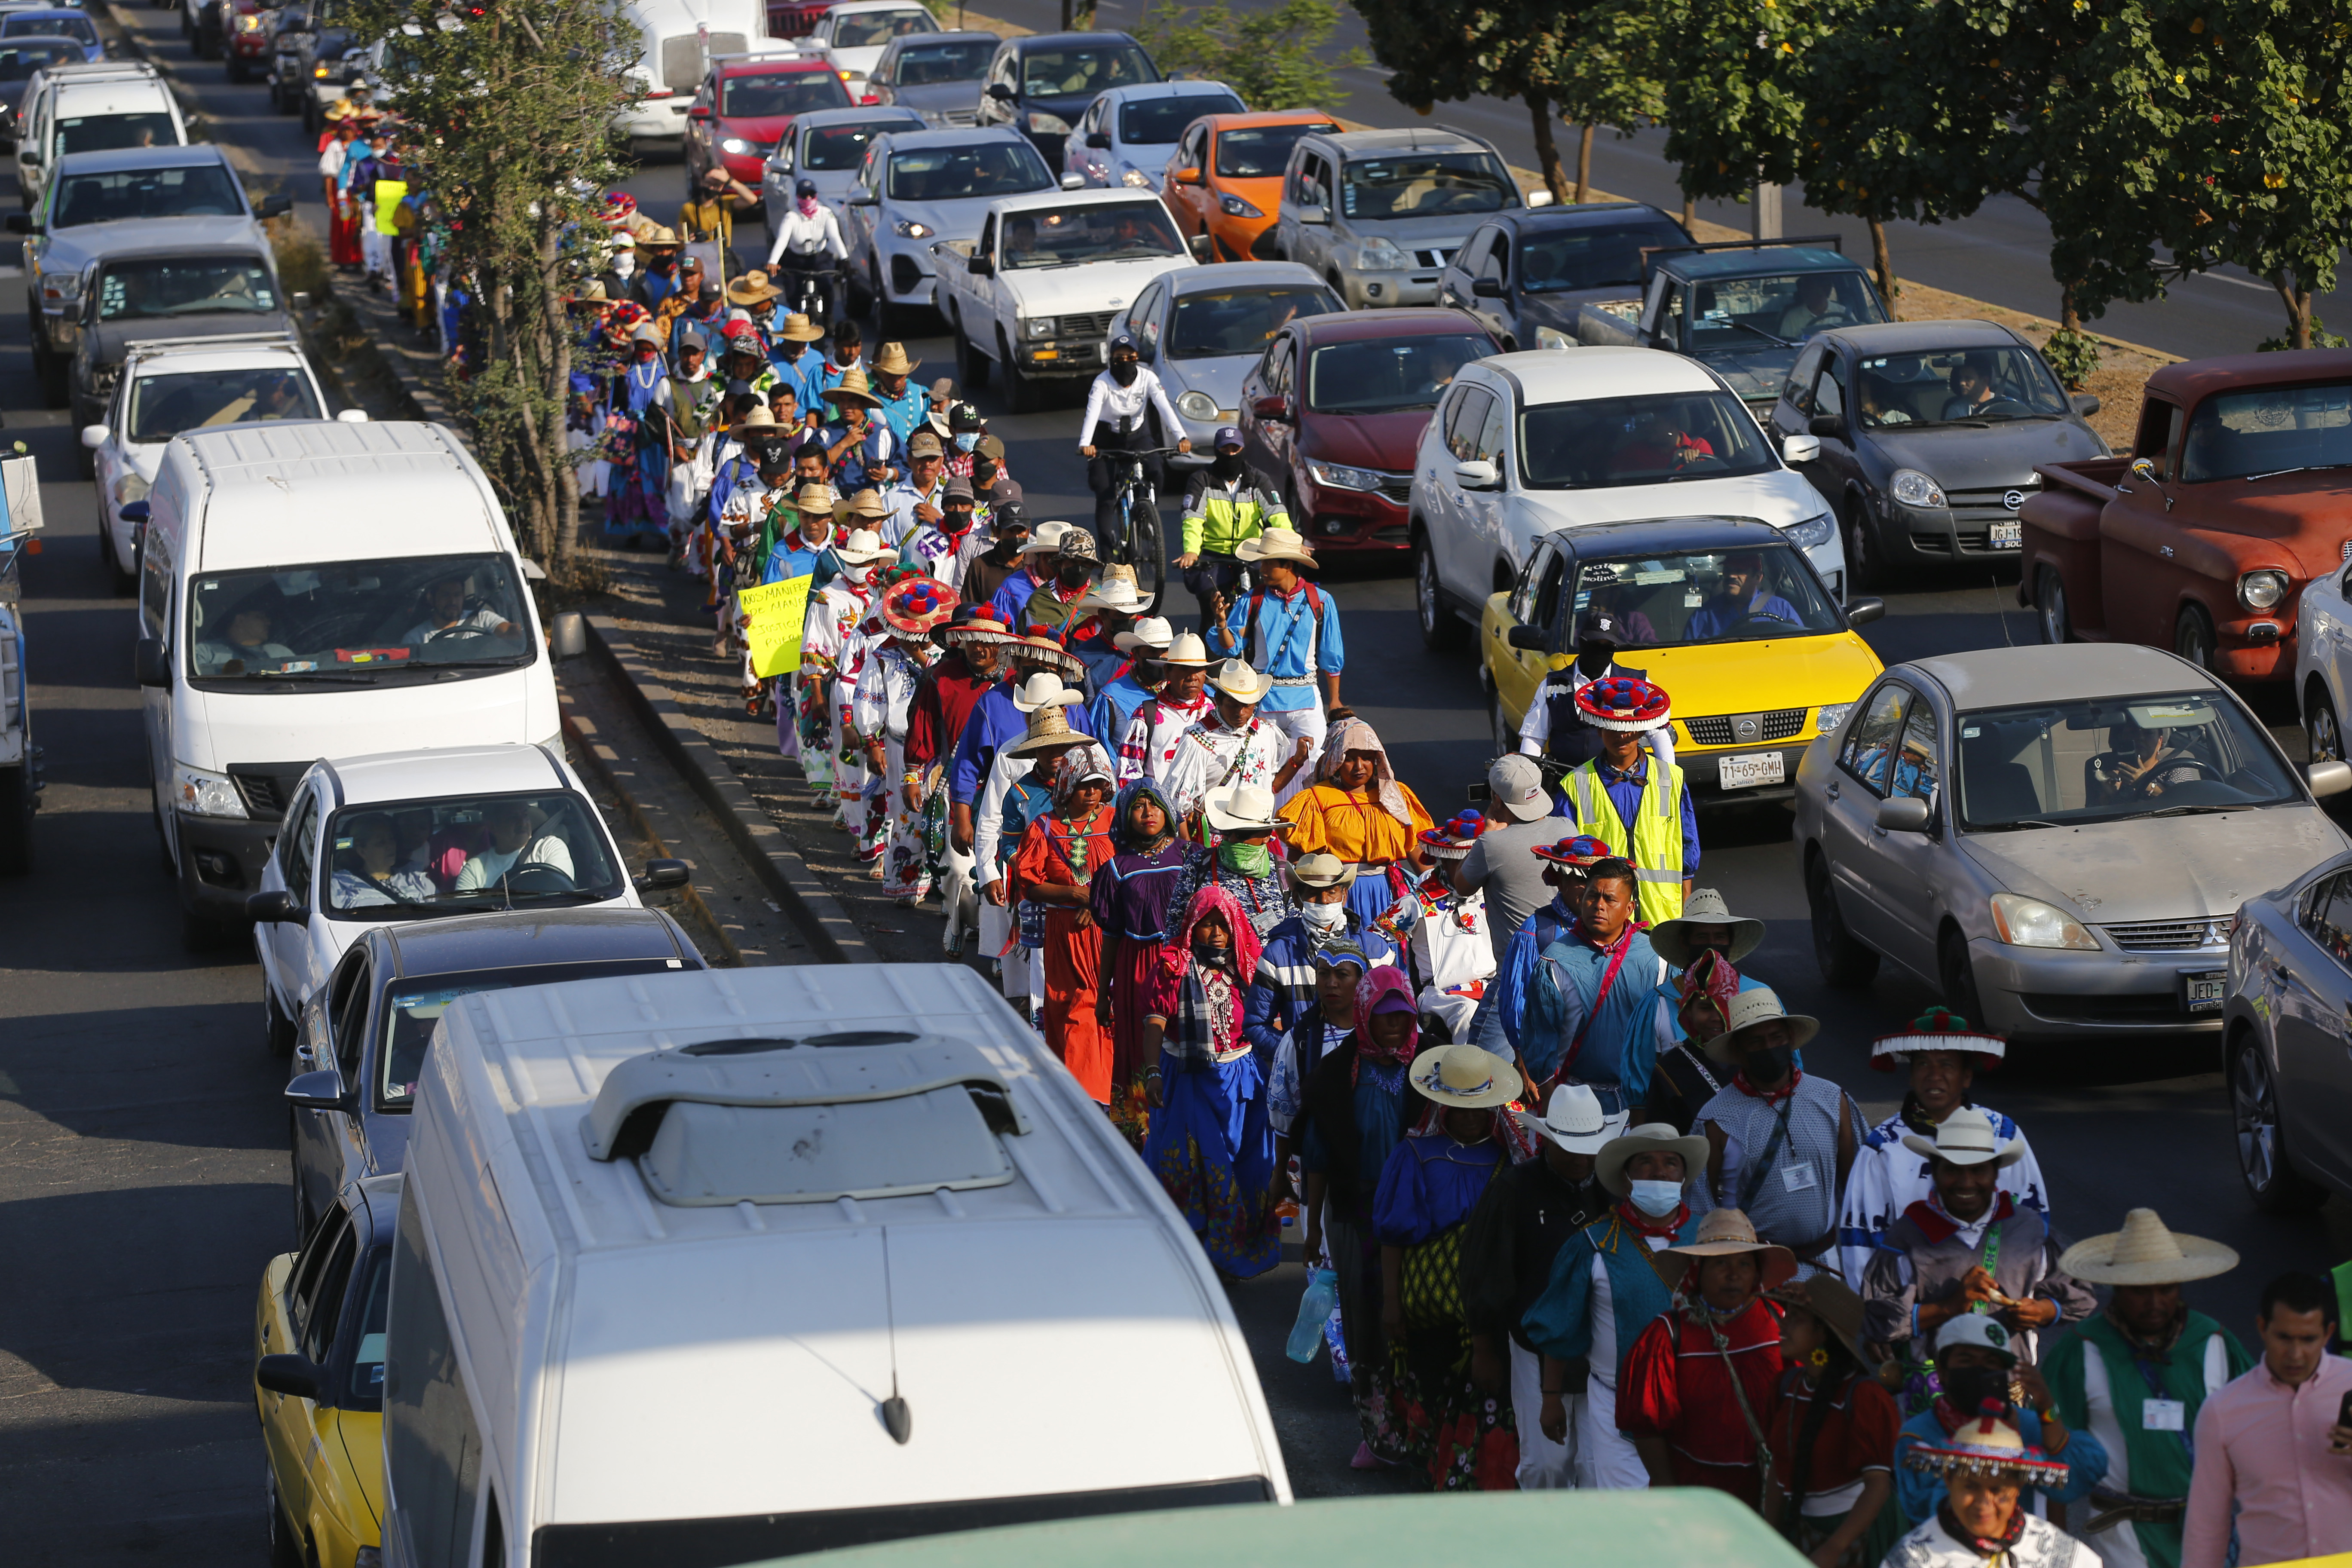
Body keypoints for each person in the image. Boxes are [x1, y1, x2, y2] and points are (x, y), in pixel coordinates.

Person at [2046, 1210, 2254, 1568]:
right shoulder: (2081, 1350)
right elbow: (2054, 1454)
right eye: (2141, 1291)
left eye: (2166, 1288)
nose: (2155, 1303)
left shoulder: (2216, 1343)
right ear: (2118, 1287)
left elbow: (2260, 1432)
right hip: (2120, 1537)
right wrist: (2055, 1549)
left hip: (2205, 1533)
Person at [1524, 1121, 1712, 1489]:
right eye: (1646, 1162)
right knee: (1631, 1519)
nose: (1659, 1170)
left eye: (1670, 1163)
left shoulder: (1711, 1240)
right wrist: (1551, 1398)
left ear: (1685, 1177)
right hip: (1615, 1408)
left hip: (1698, 1406)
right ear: (1626, 1178)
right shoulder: (1592, 1244)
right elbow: (1560, 1325)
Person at [1374, 1042, 1523, 1490]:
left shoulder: (1509, 1161)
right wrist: (1391, 1304)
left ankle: (1464, 1474)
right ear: (1441, 1105)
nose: (1472, 1116)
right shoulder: (1416, 1155)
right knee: (1433, 1383)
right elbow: (1393, 1236)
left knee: (1482, 1392)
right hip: (1427, 1306)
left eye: (1480, 1107)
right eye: (1461, 1108)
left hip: (1485, 1307)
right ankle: (1432, 1469)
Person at [1463, 1084, 1623, 1489]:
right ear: (1549, 1141)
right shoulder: (1514, 1190)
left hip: (1600, 1350)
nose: (1580, 1157)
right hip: (1533, 1345)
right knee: (1546, 1465)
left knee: (1596, 1467)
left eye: (1588, 1147)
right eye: (1569, 1145)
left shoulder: (1614, 1192)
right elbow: (1484, 1270)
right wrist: (1484, 1347)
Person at [1299, 961, 1427, 1467]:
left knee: (1411, 1314)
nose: (1394, 1027)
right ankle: (1379, 1435)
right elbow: (1318, 1155)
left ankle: (1418, 1427)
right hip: (1355, 1211)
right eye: (1384, 1017)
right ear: (1365, 1015)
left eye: (1402, 1018)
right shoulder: (1337, 1073)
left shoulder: (1429, 1068)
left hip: (1415, 1213)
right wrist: (1311, 1231)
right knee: (1364, 1314)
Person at [1859, 1108, 2099, 1372]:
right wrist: (1949, 1307)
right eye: (1953, 1170)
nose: (1966, 1183)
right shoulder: (1909, 1235)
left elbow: (2081, 1298)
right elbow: (1877, 1322)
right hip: (1934, 1395)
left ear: (1996, 1173)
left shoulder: (2028, 1228)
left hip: (2011, 1393)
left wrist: (2044, 1311)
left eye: (1978, 1171)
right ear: (1935, 1172)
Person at [1838, 1010, 2050, 1289]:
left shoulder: (2004, 1134)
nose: (1934, 1076)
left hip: (2000, 1306)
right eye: (1924, 1064)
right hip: (1915, 1317)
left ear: (1966, 1077)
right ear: (1911, 1076)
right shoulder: (1883, 1147)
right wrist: (1893, 1318)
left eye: (1947, 1065)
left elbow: (2034, 1221)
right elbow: (1862, 1243)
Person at [1140, 886, 1280, 1278]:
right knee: (1194, 1164)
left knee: (1245, 1163)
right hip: (1189, 1080)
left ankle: (1234, 1245)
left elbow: (1268, 1020)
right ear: (1191, 927)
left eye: (1223, 925)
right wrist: (1152, 1071)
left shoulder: (1249, 966)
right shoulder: (1173, 966)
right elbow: (1156, 1020)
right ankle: (1190, 1256)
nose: (1217, 933)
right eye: (1207, 924)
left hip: (1242, 1081)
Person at [1618, 1207, 1794, 1504]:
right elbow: (1647, 1428)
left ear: (1756, 1273)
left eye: (1744, 1264)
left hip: (1773, 1490)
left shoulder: (1780, 1323)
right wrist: (1666, 1488)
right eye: (1720, 1264)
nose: (1734, 1274)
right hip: (1698, 1494)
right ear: (1698, 1272)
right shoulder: (1668, 1335)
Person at [2181, 1271, 2352, 1568]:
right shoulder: (2222, 1412)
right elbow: (2207, 1527)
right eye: (2284, 1338)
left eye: (2309, 1339)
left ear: (2328, 1334)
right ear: (2262, 1328)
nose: (2295, 1354)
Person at [1694, 988, 1861, 1269]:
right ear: (1738, 1050)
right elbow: (1699, 1204)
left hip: (1831, 1264)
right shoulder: (1715, 1119)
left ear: (1791, 1040)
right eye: (1756, 1042)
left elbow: (1860, 1185)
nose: (1768, 1047)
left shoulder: (1832, 1100)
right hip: (1756, 1271)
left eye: (1776, 1038)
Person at [1892, 1314, 2107, 1528]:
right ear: (1941, 1370)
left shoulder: (2025, 1423)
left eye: (1991, 1363)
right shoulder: (1918, 1435)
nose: (1979, 1371)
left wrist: (2047, 1409)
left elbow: (2076, 1481)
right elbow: (1928, 1509)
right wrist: (1998, 1451)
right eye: (1966, 1361)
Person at [974, 686, 1099, 1013]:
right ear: (1034, 752)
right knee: (1039, 968)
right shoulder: (1020, 793)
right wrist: (1034, 873)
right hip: (1039, 892)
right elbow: (1009, 842)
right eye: (1047, 749)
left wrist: (1095, 891)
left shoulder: (1088, 790)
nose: (1055, 754)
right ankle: (1043, 1033)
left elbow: (1102, 839)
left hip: (1087, 896)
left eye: (1061, 747)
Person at [1764, 1275, 1901, 1568]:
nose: (1783, 1325)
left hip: (1858, 1532)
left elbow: (1878, 1487)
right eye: (1786, 1316)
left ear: (1823, 1334)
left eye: (1796, 1318)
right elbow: (1779, 1466)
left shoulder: (1865, 1397)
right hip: (1803, 1526)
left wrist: (1834, 1548)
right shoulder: (1786, 1387)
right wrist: (1768, 1536)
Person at [1523, 857, 1669, 1115]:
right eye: (1592, 896)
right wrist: (1551, 1100)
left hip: (1642, 1103)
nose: (1599, 906)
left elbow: (1670, 1036)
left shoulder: (1656, 959)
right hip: (1573, 1100)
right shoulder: (1555, 959)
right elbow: (1540, 1037)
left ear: (1629, 908)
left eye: (1610, 899)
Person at [908, 609, 1015, 954]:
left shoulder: (1017, 682)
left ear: (1000, 645)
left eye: (987, 642)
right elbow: (921, 726)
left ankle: (996, 943)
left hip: (1007, 790)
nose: (979, 648)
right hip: (953, 781)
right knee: (956, 866)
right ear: (962, 642)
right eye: (973, 641)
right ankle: (959, 922)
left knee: (1000, 869)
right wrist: (912, 775)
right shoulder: (942, 677)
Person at [1012, 750, 1118, 1100]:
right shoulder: (1044, 827)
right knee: (1071, 1012)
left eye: (1099, 786)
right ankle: (1078, 1099)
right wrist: (1075, 893)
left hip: (1108, 935)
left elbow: (1131, 873)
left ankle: (1103, 1097)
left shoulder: (1116, 823)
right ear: (1069, 784)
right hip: (1066, 935)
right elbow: (1029, 882)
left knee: (1104, 1014)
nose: (1092, 793)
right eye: (1084, 785)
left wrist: (1099, 902)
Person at [1089, 778, 1188, 1145]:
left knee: (1181, 1043)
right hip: (1136, 970)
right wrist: (1103, 994)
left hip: (1183, 967)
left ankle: (1183, 1128)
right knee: (1137, 1047)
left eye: (1154, 805)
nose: (1148, 814)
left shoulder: (1190, 856)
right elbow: (1111, 936)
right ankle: (1142, 1137)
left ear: (1167, 811)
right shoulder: (1117, 867)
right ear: (1126, 816)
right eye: (1138, 807)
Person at [1207, 528, 1341, 799]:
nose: (1262, 569)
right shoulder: (1251, 600)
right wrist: (1222, 623)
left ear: (1289, 565)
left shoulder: (1322, 601)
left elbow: (1332, 655)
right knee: (1261, 768)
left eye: (1269, 563)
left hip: (1307, 702)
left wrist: (1335, 701)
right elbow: (1231, 646)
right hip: (1264, 700)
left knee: (1315, 767)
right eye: (1262, 562)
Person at [1883, 1406, 2101, 1568]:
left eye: (1997, 1491)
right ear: (1949, 1480)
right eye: (1970, 1487)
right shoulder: (1912, 1560)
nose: (1983, 1504)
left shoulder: (2059, 1555)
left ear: (2018, 1487)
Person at [1558, 677, 1697, 928]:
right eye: (1612, 727)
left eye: (1630, 727)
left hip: (1664, 916)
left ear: (1643, 730)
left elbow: (1688, 846)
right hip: (1605, 921)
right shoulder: (1575, 784)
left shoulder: (1673, 779)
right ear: (1600, 729)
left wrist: (1685, 909)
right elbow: (1565, 860)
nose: (1622, 735)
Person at [1279, 715, 1433, 929]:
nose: (1359, 766)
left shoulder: (1395, 796)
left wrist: (1437, 889)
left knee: (1387, 955)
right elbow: (1298, 860)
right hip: (1336, 895)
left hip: (1389, 891)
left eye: (1367, 758)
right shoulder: (1316, 799)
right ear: (1336, 761)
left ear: (1377, 760)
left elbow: (1415, 849)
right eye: (1350, 758)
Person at [854, 576, 951, 904]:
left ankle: (944, 883)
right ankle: (909, 883)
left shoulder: (946, 654)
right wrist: (871, 742)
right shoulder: (882, 657)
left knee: (943, 811)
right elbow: (870, 700)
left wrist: (924, 659)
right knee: (907, 812)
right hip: (901, 745)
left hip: (941, 748)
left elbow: (947, 693)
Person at [1246, 852, 1396, 1064]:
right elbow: (1257, 1024)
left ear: (1344, 896)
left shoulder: (1375, 950)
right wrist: (1295, 1056)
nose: (1324, 901)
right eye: (1313, 894)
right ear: (1298, 899)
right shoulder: (1277, 955)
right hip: (1304, 1075)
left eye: (1332, 892)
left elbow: (1397, 1011)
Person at [803, 527, 897, 851]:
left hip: (883, 692)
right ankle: (862, 831)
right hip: (843, 688)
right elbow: (814, 646)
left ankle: (879, 839)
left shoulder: (884, 598)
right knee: (851, 763)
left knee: (883, 763)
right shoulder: (828, 597)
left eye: (871, 561)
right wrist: (817, 693)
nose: (865, 568)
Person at [1455, 754, 1577, 964]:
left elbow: (1461, 886)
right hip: (1565, 962)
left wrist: (1486, 833)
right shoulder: (1567, 828)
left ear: (1497, 800)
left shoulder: (1492, 844)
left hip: (1516, 970)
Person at [1518, 609, 1675, 772]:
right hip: (1565, 781)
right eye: (1595, 645)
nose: (1600, 652)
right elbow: (1534, 738)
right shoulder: (1553, 684)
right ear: (1582, 643)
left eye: (1608, 647)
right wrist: (1530, 781)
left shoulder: (1635, 684)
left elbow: (1659, 735)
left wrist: (1670, 778)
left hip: (1620, 782)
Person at [1158, 658, 1306, 823]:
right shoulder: (1196, 739)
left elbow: (1271, 787)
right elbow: (1177, 805)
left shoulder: (1267, 734)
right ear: (1219, 701)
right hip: (1213, 837)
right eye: (1233, 705)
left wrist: (1298, 760)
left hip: (1255, 834)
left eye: (1247, 706)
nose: (1241, 713)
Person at [1079, 334, 1191, 551]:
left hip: (1138, 436)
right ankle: (1106, 549)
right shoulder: (1102, 382)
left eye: (1130, 357)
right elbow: (1091, 414)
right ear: (1111, 359)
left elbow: (1164, 407)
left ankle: (1146, 516)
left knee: (1156, 471)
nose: (1125, 363)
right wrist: (1086, 443)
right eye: (1119, 358)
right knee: (1106, 493)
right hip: (1107, 439)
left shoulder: (1148, 378)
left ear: (1137, 357)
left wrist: (1181, 437)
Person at [1178, 426, 1288, 630]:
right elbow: (1192, 519)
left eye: (1235, 449)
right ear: (1216, 451)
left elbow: (1277, 514)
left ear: (1243, 450)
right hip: (1212, 554)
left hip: (1252, 551)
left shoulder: (1258, 479)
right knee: (1212, 608)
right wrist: (1192, 551)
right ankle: (1211, 657)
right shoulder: (1201, 479)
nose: (1230, 454)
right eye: (1225, 450)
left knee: (1269, 601)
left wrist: (1290, 545)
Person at [1162, 780, 1294, 939]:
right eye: (1227, 831)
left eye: (1241, 833)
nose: (1230, 839)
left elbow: (1293, 929)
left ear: (1266, 835)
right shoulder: (1198, 865)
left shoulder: (1282, 872)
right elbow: (1175, 924)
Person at [1116, 632, 1215, 787]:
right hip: (1159, 807)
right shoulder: (1146, 714)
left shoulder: (1215, 712)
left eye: (1198, 669)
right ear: (1168, 672)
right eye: (1184, 669)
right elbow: (1128, 771)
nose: (1192, 677)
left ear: (1205, 672)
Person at [763, 177, 848, 318]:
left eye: (811, 195)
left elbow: (835, 237)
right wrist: (773, 261)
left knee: (827, 286)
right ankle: (797, 319)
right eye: (804, 195)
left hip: (819, 258)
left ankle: (828, 318)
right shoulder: (791, 217)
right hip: (796, 259)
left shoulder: (826, 213)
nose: (808, 198)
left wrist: (845, 259)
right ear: (798, 197)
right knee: (792, 292)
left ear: (816, 196)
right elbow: (783, 240)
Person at [454, 799, 574, 891]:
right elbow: (465, 915)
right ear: (492, 826)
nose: (522, 823)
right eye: (513, 817)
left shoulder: (549, 847)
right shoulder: (475, 868)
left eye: (525, 815)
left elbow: (559, 897)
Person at [1090, 614, 1172, 745]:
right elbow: (1099, 746)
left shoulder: (1187, 691)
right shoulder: (1111, 696)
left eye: (1165, 651)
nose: (1159, 657)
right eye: (1151, 651)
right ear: (1136, 653)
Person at [1686, 552, 1805, 641]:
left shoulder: (1781, 608)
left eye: (1739, 571)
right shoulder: (1705, 614)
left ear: (1758, 577)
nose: (1732, 575)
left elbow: (1802, 643)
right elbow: (1687, 656)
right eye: (1728, 570)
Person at [2089, 717, 2210, 803]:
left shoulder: (2176, 765)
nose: (2140, 738)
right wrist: (2109, 795)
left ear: (2160, 741)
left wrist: (2144, 783)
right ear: (2122, 738)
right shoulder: (2109, 773)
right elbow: (2097, 821)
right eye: (2133, 732)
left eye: (2148, 734)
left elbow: (2185, 800)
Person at [329, 812, 436, 908]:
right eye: (381, 843)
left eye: (391, 839)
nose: (390, 846)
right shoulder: (341, 886)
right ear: (362, 851)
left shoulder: (418, 880)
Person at [989, 520, 1072, 628]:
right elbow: (1002, 632)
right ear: (1045, 558)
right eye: (1064, 560)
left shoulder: (1079, 587)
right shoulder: (1011, 588)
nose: (1071, 565)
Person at [402, 573, 516, 648]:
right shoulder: (416, 638)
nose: (453, 601)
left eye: (457, 595)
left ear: (463, 597)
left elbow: (509, 631)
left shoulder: (482, 618)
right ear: (431, 599)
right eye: (445, 595)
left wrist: (518, 631)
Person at [880, 427, 947, 549]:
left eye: (932, 458)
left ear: (942, 460)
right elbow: (883, 546)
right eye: (921, 458)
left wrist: (942, 523)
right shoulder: (891, 499)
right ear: (909, 460)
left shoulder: (952, 497)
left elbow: (968, 540)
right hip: (903, 569)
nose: (927, 464)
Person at [867, 342, 929, 447]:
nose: (896, 381)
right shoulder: (869, 401)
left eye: (900, 375)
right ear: (881, 373)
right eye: (890, 375)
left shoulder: (921, 394)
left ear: (907, 373)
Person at [1776, 274, 1852, 340]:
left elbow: (1856, 335)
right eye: (1806, 287)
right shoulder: (1792, 317)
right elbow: (1786, 347)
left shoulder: (1843, 312)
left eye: (1825, 286)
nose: (1806, 291)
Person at [1940, 352, 2004, 421]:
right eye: (1961, 378)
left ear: (1985, 381)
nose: (1962, 383)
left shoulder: (2004, 404)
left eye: (1968, 378)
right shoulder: (1957, 410)